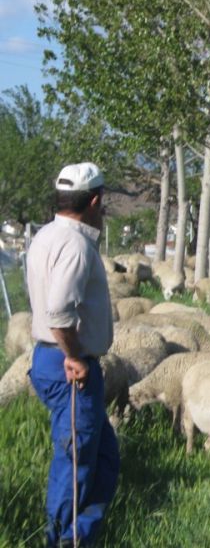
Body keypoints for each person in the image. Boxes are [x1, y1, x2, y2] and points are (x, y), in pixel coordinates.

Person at [27, 162, 119, 547]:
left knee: (102, 457)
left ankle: (80, 535)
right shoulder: (77, 245)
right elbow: (59, 311)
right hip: (69, 365)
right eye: (103, 203)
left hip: (53, 358)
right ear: (95, 201)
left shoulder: (46, 235)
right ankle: (64, 539)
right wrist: (76, 356)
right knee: (77, 461)